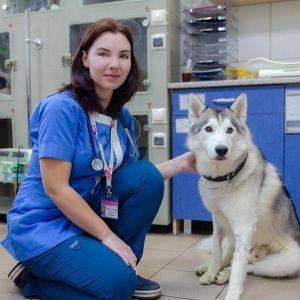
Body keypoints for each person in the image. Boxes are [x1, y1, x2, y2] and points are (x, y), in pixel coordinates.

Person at [1, 18, 197, 300]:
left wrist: (182, 162)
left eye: (123, 56)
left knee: (147, 176)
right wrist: (107, 236)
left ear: (131, 63)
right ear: (85, 58)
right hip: (44, 225)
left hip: (85, 214)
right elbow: (56, 188)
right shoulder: (62, 109)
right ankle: (32, 279)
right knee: (117, 287)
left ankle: (121, 266)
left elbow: (134, 180)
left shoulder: (121, 117)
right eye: (103, 54)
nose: (114, 64)